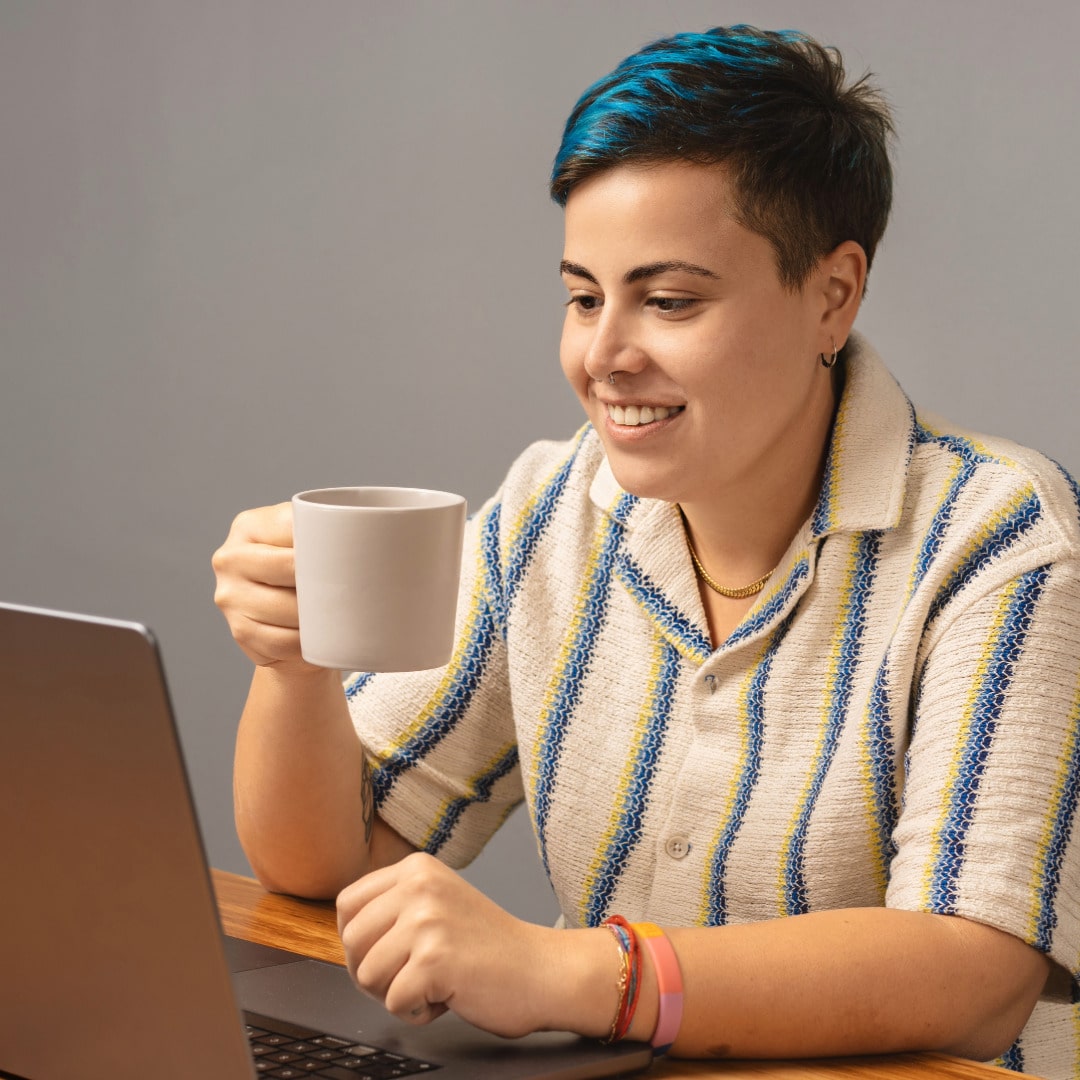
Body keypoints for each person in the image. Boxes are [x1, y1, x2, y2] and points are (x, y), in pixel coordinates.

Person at [212, 24, 1080, 1077]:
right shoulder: (550, 509)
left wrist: (578, 975)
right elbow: (335, 861)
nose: (605, 357)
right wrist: (294, 667)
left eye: (668, 301)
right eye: (584, 297)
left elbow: (974, 974)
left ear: (833, 294)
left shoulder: (999, 540)